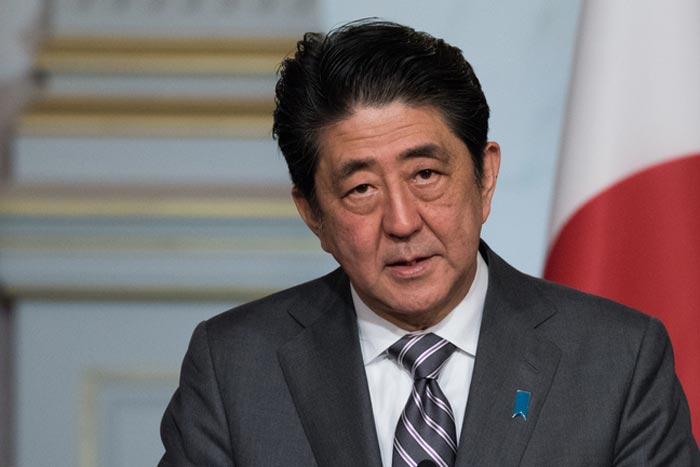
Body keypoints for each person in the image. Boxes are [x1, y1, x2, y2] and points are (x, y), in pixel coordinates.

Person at [159, 20, 699, 467]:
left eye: (425, 175)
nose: (402, 222)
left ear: (485, 178)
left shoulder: (617, 361)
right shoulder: (235, 369)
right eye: (361, 189)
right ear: (313, 214)